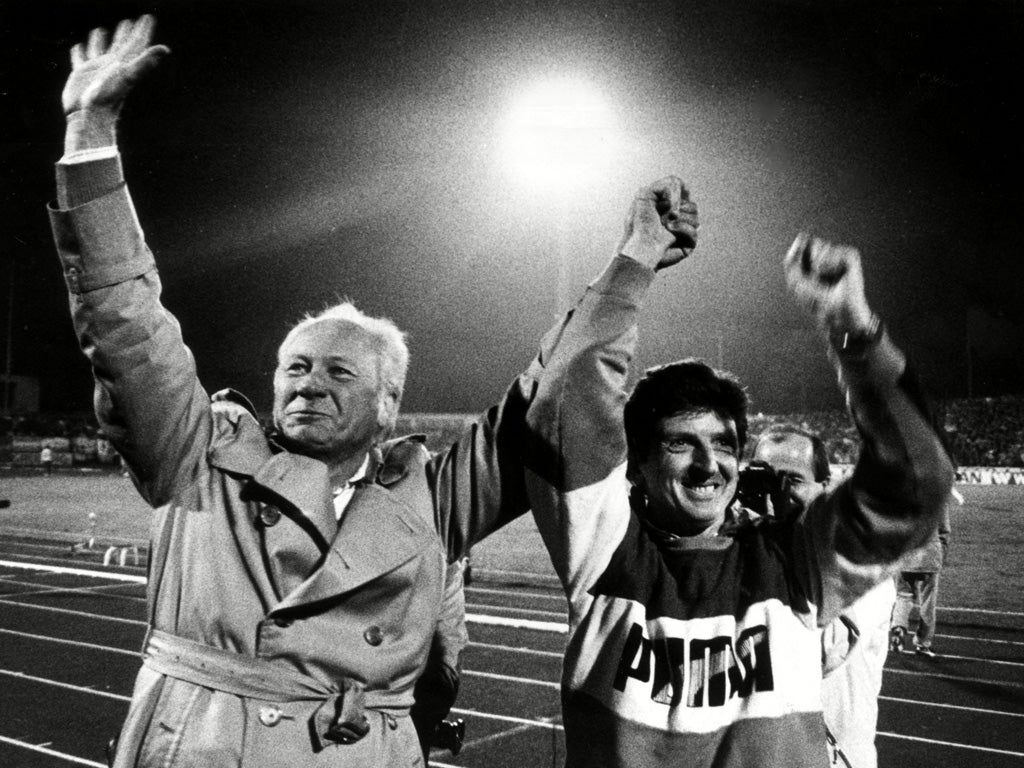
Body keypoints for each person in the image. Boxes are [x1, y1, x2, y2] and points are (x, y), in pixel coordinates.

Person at [49, 16, 538, 767]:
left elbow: (541, 411)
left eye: (339, 372)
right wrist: (90, 134)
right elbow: (127, 327)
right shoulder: (199, 456)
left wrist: (632, 264)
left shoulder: (436, 499)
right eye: (295, 368)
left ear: (387, 405)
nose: (308, 383)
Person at [519, 175, 954, 767]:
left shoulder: (794, 561)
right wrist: (636, 258)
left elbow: (918, 484)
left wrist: (853, 330)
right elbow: (567, 403)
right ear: (637, 465)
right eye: (680, 444)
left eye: (723, 444)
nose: (708, 465)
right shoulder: (604, 548)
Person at [749, 424, 896, 768]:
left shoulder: (857, 560)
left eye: (793, 480)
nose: (778, 493)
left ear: (825, 488)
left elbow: (820, 651)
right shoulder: (740, 549)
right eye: (765, 478)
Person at [891, 489, 955, 657]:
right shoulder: (938, 497)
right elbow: (945, 531)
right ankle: (923, 643)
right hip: (930, 556)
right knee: (928, 603)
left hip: (905, 555)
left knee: (903, 596)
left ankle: (898, 628)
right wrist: (941, 556)